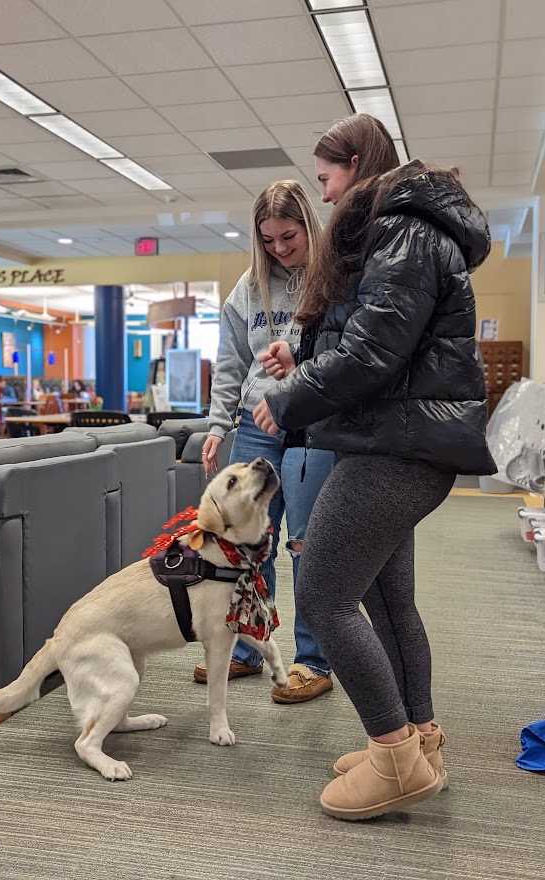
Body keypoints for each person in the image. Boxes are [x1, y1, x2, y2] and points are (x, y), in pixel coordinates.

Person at [254, 114, 496, 819]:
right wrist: (301, 356)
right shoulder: (399, 228)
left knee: (323, 595)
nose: (324, 195)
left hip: (398, 445)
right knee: (387, 602)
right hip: (395, 439)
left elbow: (373, 353)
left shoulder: (403, 230)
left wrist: (289, 398)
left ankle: (393, 760)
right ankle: (418, 742)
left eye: (326, 178)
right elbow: (376, 337)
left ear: (356, 162)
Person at [195, 180, 336, 704]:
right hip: (257, 424)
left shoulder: (334, 278)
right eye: (268, 239)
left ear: (309, 227)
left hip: (312, 424)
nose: (279, 248)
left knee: (306, 543)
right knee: (248, 542)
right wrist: (217, 426)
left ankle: (313, 660)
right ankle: (250, 648)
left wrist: (302, 370)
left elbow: (349, 354)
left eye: (289, 236)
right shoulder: (249, 287)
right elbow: (230, 360)